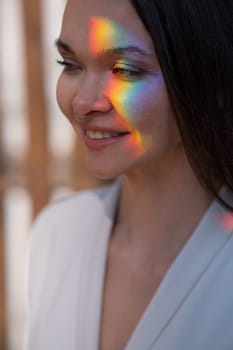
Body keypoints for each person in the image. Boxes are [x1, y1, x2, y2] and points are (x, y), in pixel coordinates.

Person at [27, 0, 233, 349]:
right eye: (71, 64)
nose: (83, 102)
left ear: (211, 78)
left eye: (124, 70)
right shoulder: (56, 235)